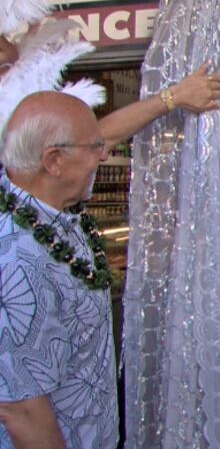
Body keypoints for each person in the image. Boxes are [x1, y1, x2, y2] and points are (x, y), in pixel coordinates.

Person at [0, 92, 114, 448]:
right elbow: (21, 410)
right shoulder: (19, 257)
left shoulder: (57, 216)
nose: (103, 155)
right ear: (54, 161)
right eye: (94, 146)